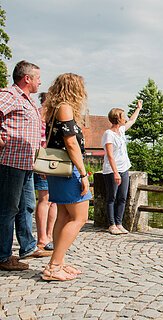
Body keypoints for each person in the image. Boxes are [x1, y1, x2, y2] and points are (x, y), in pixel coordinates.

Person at [0, 60, 52, 272]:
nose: (40, 81)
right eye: (38, 77)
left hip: (26, 165)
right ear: (27, 78)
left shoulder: (28, 100)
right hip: (10, 162)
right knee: (7, 210)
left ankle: (28, 246)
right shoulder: (9, 95)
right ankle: (3, 256)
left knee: (26, 207)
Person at [41, 73, 92, 281]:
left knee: (63, 216)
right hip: (68, 170)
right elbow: (71, 144)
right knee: (80, 218)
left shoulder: (55, 109)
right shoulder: (65, 108)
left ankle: (58, 261)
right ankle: (53, 267)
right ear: (74, 89)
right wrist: (83, 173)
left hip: (58, 171)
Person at [102, 101, 143, 235]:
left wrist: (138, 108)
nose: (125, 118)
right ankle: (111, 224)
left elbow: (132, 120)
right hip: (112, 170)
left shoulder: (121, 130)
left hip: (124, 168)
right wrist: (115, 173)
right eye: (123, 116)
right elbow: (110, 155)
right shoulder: (109, 134)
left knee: (122, 197)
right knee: (111, 197)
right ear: (117, 118)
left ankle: (119, 223)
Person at [34, 92, 57, 251]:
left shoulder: (51, 117)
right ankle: (42, 238)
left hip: (53, 161)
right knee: (45, 199)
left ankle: (50, 236)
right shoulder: (39, 115)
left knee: (54, 199)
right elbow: (38, 141)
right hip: (44, 161)